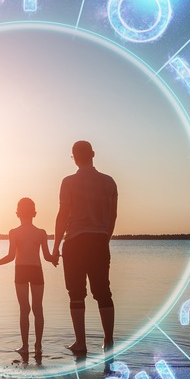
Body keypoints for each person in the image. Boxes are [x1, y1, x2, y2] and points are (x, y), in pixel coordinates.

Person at [52, 140, 118, 354]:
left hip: (75, 242)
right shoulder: (109, 182)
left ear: (75, 157)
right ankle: (108, 341)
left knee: (76, 293)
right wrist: (104, 238)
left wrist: (55, 247)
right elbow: (112, 216)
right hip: (99, 240)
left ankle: (81, 343)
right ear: (93, 154)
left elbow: (63, 216)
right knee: (103, 292)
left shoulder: (68, 182)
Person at [0, 197, 52, 356]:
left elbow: (10, 256)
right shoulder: (41, 233)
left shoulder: (14, 232)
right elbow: (47, 257)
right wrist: (55, 258)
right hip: (36, 270)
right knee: (37, 308)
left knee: (24, 309)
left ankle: (25, 346)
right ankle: (38, 345)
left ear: (17, 213)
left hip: (21, 270)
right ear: (34, 213)